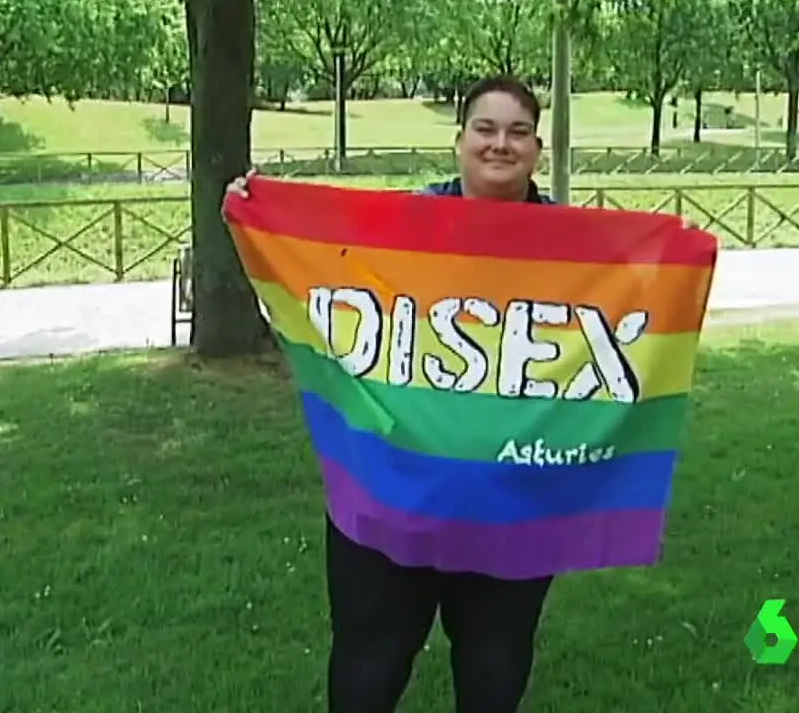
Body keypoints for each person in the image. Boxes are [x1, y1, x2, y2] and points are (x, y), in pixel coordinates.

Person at [226, 76, 557, 713]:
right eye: (485, 129)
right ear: (459, 141)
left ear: (537, 149)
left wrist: (677, 252)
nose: (500, 144)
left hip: (510, 502)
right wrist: (255, 214)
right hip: (392, 491)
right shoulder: (398, 231)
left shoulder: (574, 249)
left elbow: (639, 298)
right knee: (369, 663)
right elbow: (319, 267)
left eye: (517, 132)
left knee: (494, 665)